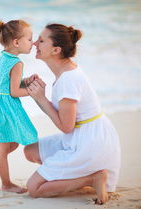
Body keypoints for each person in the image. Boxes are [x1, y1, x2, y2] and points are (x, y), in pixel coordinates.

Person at [24, 23, 121, 204]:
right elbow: (66, 121)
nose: (35, 43)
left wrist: (42, 99)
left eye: (41, 40)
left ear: (56, 50)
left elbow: (66, 127)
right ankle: (67, 174)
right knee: (30, 151)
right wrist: (36, 94)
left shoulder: (68, 79)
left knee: (34, 188)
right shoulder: (65, 72)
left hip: (90, 143)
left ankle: (92, 178)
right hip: (82, 135)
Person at [0, 20, 39, 193]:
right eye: (29, 39)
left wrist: (26, 82)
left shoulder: (4, 56)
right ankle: (6, 184)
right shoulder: (17, 63)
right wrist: (34, 91)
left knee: (11, 144)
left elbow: (9, 84)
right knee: (4, 149)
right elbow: (14, 92)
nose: (33, 43)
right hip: (5, 109)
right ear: (16, 42)